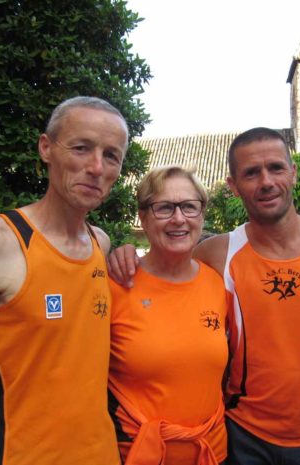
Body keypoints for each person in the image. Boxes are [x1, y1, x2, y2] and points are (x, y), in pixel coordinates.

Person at [108, 128, 300, 465]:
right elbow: (166, 270)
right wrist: (122, 256)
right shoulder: (215, 254)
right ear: (233, 185)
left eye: (276, 168)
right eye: (252, 173)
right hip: (242, 441)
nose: (266, 181)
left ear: (294, 172)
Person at [0, 96, 129, 465]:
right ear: (46, 148)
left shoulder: (100, 243)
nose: (96, 167)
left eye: (111, 156)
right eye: (81, 148)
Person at [108, 166, 229, 465]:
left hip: (212, 453)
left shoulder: (217, 283)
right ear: (143, 217)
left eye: (189, 206)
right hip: (137, 454)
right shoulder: (114, 285)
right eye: (164, 208)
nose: (179, 219)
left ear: (201, 214)